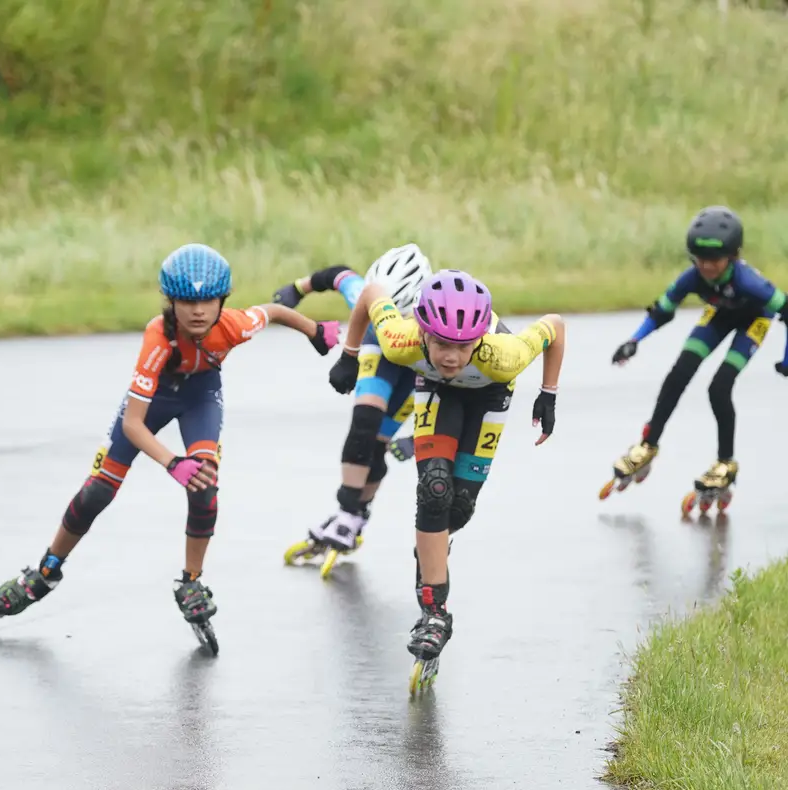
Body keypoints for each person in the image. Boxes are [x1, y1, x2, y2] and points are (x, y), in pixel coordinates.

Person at [0, 243, 340, 630]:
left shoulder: (233, 324)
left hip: (200, 397)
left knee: (205, 486)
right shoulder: (159, 337)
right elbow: (133, 425)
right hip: (151, 402)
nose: (198, 311)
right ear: (171, 302)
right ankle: (46, 570)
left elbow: (272, 312)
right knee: (97, 492)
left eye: (208, 300)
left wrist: (315, 332)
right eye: (187, 301)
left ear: (223, 300)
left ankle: (191, 582)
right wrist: (172, 462)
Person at [328, 269, 566, 661]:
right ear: (421, 332)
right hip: (437, 391)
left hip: (489, 391)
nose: (451, 356)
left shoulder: (504, 355)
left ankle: (431, 546)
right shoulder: (401, 340)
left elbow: (554, 326)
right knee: (434, 490)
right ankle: (434, 613)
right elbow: (371, 293)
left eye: (463, 345)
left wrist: (549, 393)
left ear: (480, 340)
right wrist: (350, 354)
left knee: (458, 508)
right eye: (440, 344)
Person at [603, 205, 788, 504]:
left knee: (719, 387)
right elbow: (662, 310)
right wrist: (634, 340)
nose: (706, 266)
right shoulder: (692, 277)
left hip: (753, 321)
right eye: (700, 259)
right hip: (719, 314)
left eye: (714, 259)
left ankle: (725, 463)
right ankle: (647, 446)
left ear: (733, 256)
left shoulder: (748, 282)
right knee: (678, 375)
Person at [274, 245, 432, 572]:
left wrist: (418, 439)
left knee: (377, 446)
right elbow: (337, 275)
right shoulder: (365, 292)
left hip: (416, 365)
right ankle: (347, 512)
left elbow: (450, 394)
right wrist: (298, 288)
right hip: (375, 348)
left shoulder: (437, 325)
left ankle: (355, 516)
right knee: (363, 424)